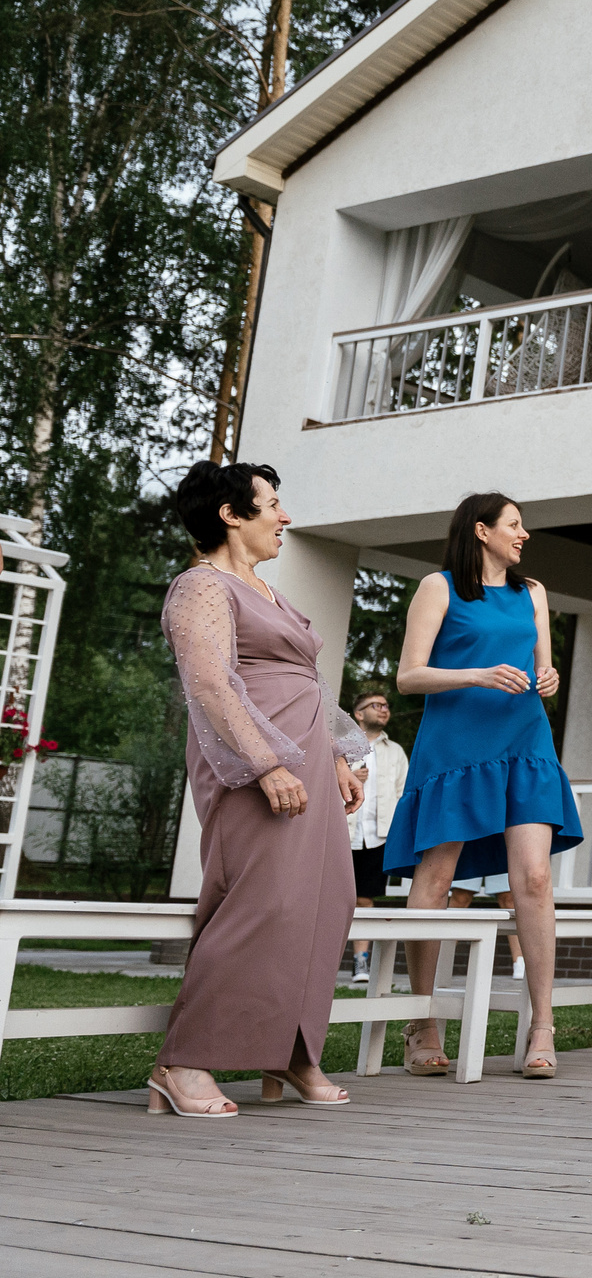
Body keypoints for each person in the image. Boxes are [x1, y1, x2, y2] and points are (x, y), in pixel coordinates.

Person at [148, 462, 371, 1117]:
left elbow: (305, 685)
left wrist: (334, 757)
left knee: (328, 900)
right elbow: (212, 685)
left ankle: (292, 1050)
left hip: (306, 765)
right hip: (253, 766)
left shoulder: (271, 594)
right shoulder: (201, 586)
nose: (286, 516)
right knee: (262, 900)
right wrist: (267, 763)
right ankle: (182, 1059)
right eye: (274, 503)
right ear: (231, 513)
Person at [386, 493, 584, 1080]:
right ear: (481, 530)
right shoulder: (439, 587)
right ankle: (422, 1025)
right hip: (455, 746)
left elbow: (541, 667)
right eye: (514, 525)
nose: (524, 535)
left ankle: (541, 1026)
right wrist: (475, 673)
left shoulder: (534, 593)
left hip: (524, 742)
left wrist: (547, 677)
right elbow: (407, 676)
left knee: (536, 876)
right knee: (438, 876)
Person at [345, 690, 406, 978]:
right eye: (376, 705)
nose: (384, 709)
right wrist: (347, 778)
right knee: (333, 898)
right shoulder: (340, 747)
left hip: (378, 836)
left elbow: (402, 793)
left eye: (386, 705)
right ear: (359, 713)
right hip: (342, 835)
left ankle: (360, 961)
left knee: (365, 899)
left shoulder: (394, 751)